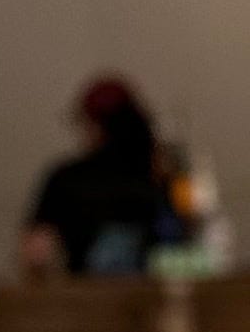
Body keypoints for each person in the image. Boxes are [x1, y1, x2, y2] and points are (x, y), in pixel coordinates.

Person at [20, 75, 180, 276]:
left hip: (87, 300)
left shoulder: (66, 179)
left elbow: (35, 254)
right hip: (153, 299)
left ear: (93, 124)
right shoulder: (159, 178)